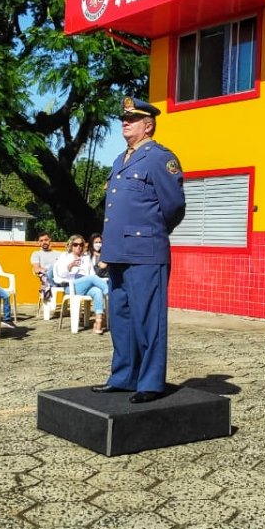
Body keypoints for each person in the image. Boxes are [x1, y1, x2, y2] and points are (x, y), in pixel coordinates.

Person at [92, 97, 186, 403]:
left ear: (148, 126)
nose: (124, 122)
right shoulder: (120, 160)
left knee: (148, 320)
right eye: (123, 118)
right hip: (118, 252)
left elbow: (174, 207)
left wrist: (152, 234)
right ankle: (123, 377)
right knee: (121, 319)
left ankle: (150, 382)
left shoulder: (160, 158)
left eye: (131, 119)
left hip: (146, 252)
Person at [54, 234, 110, 334]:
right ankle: (109, 293)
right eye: (75, 244)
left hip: (85, 285)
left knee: (97, 291)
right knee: (93, 279)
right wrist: (70, 265)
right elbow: (60, 274)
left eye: (81, 244)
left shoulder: (86, 258)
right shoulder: (65, 256)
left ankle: (98, 322)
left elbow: (92, 273)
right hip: (70, 286)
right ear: (71, 245)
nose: (78, 247)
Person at [30, 232, 61, 306]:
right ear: (39, 242)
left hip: (59, 277)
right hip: (47, 277)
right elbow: (37, 269)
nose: (44, 242)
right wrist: (50, 269)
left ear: (50, 240)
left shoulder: (59, 253)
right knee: (52, 268)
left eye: (46, 240)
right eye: (41, 241)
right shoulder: (36, 254)